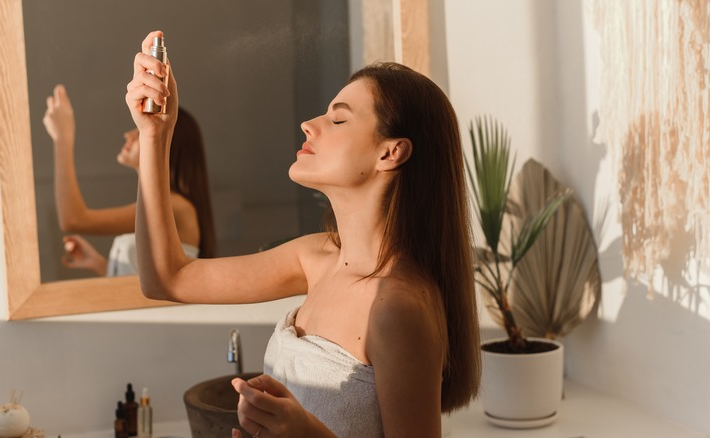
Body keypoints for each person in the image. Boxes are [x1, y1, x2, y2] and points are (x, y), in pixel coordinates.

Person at [127, 30, 480, 437]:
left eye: (338, 119)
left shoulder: (397, 307)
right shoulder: (315, 258)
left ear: (390, 152)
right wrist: (155, 135)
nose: (309, 125)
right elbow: (166, 278)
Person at [42, 84, 215, 276]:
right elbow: (147, 282)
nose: (128, 134)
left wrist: (62, 139)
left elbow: (74, 220)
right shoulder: (164, 205)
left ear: (168, 142)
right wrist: (100, 264)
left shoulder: (177, 207)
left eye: (140, 129)